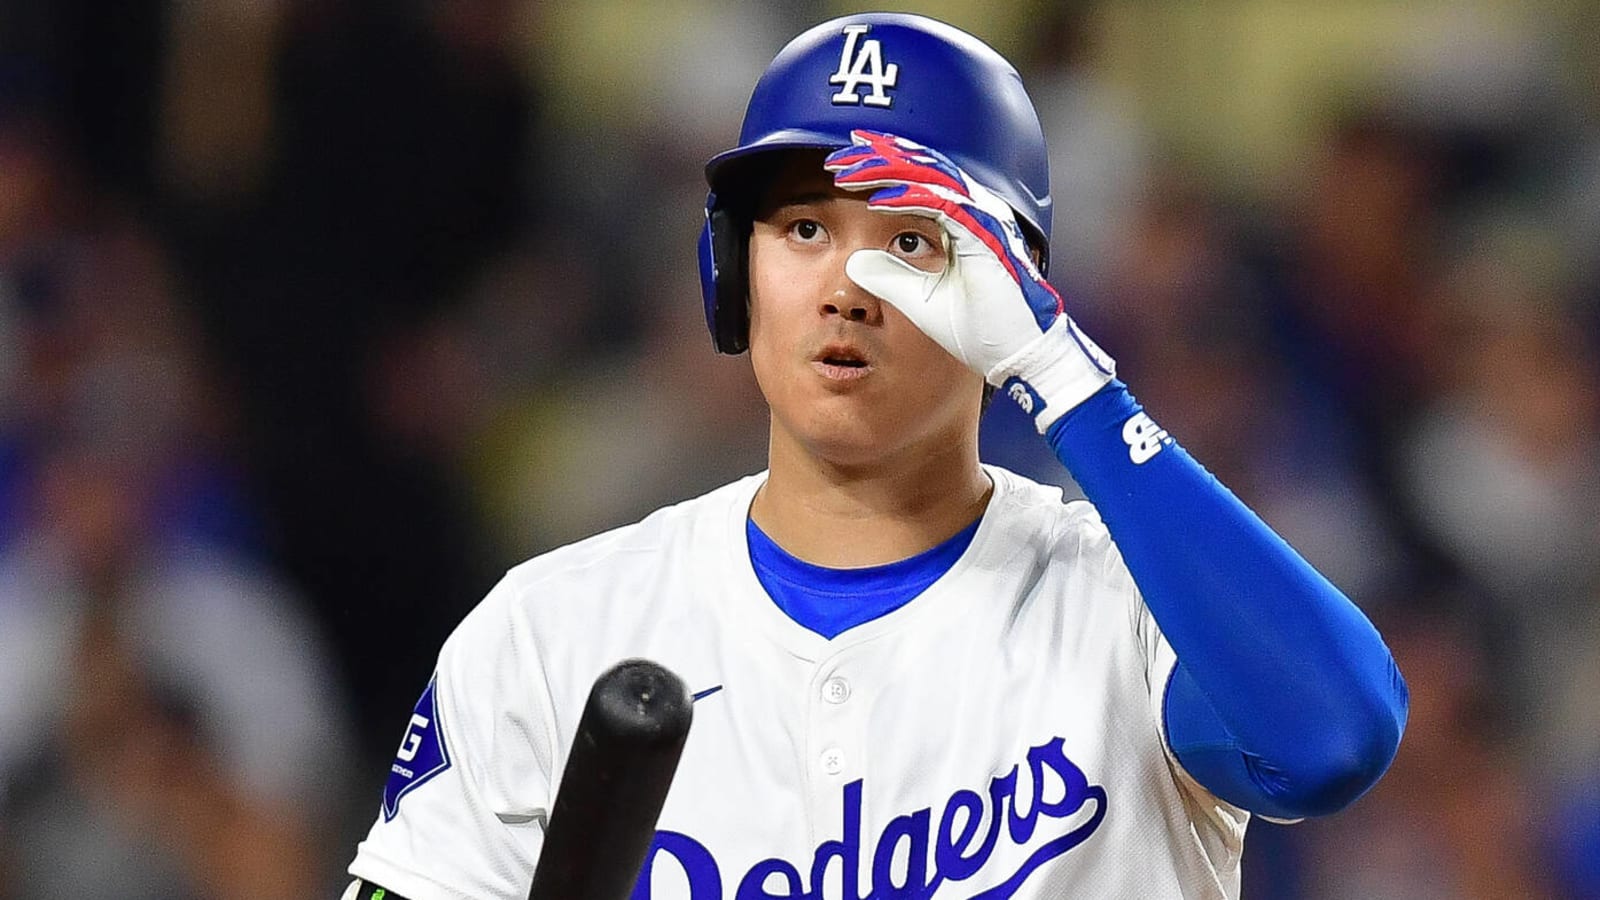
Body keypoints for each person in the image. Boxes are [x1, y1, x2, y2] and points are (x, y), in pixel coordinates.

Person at [343, 13, 1407, 899]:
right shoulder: (552, 633)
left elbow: (1330, 739)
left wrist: (1066, 375)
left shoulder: (1133, 606)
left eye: (912, 240)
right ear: (730, 273)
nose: (848, 287)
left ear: (1016, 290)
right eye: (803, 228)